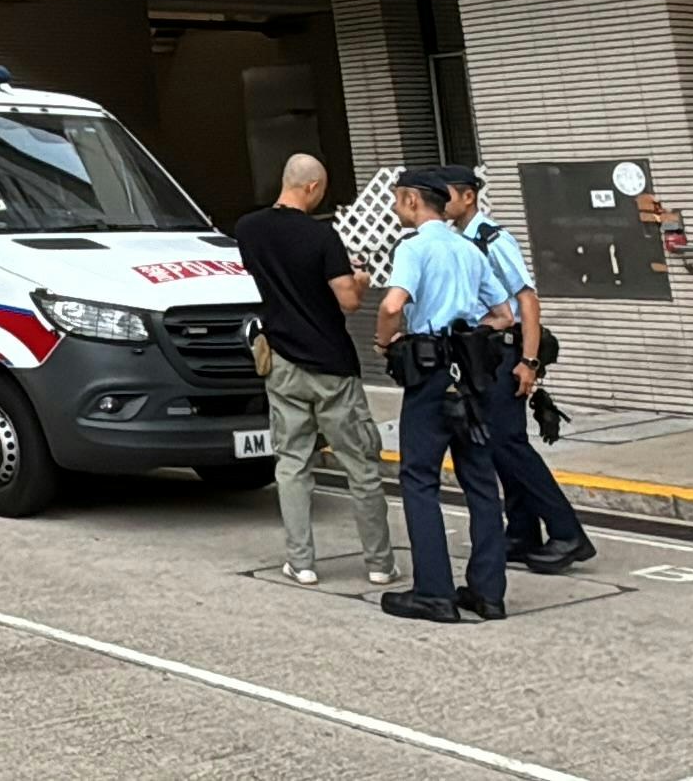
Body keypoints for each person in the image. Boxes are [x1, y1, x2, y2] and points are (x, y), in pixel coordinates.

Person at [232, 155, 394, 588]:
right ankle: (379, 564)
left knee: (291, 462)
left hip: (281, 360)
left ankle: (301, 562)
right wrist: (359, 280)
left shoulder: (248, 229)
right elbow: (349, 301)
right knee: (360, 465)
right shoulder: (323, 236)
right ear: (311, 187)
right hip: (332, 364)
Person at [374, 169, 510, 623]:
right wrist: (467, 335)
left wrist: (384, 342)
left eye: (398, 199)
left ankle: (434, 592)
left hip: (430, 374)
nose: (395, 208)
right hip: (470, 373)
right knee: (480, 481)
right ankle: (489, 592)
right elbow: (503, 314)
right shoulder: (468, 248)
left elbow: (392, 304)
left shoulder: (413, 248)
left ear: (413, 201)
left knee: (419, 479)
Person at [444, 170, 593, 574]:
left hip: (505, 352)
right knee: (498, 446)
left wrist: (529, 361)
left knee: (509, 445)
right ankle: (523, 531)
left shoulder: (492, 239)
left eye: (447, 194)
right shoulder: (459, 239)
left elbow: (527, 300)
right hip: (481, 355)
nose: (442, 202)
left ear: (469, 196)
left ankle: (567, 533)